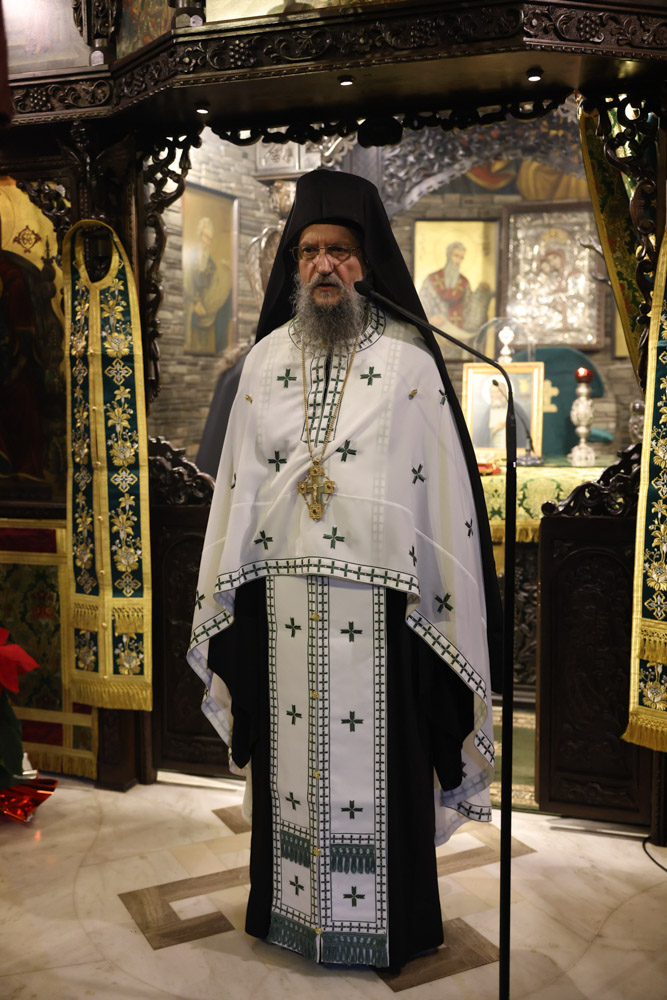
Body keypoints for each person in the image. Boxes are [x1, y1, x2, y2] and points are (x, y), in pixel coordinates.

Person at [188, 169, 501, 971]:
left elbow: (440, 504)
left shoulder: (409, 364)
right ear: (293, 264)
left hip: (383, 612)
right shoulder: (262, 364)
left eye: (340, 251)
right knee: (289, 763)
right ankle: (290, 917)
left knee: (383, 766)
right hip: (283, 606)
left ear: (368, 263)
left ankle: (388, 925)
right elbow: (238, 493)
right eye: (309, 251)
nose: (324, 264)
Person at [183, 216, 233, 354]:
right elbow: (188, 284)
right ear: (200, 236)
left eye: (210, 239)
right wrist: (195, 303)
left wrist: (228, 272)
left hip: (208, 304)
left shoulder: (211, 263)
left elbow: (214, 284)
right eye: (206, 237)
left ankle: (222, 347)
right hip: (195, 304)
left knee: (228, 296)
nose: (208, 242)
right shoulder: (191, 257)